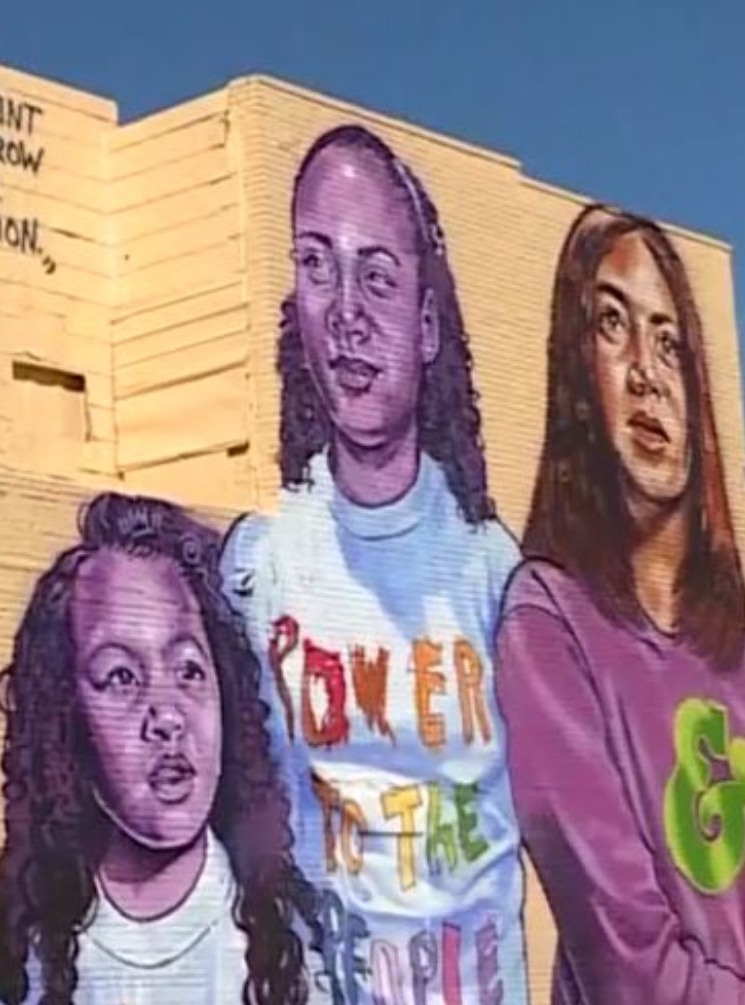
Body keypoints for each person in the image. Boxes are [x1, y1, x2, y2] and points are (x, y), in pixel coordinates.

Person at [220, 124, 529, 1005]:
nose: (347, 310)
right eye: (317, 266)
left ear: (427, 326)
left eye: (379, 275)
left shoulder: (493, 575)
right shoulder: (257, 569)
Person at [496, 205, 745, 1003]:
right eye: (613, 325)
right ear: (575, 374)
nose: (647, 371)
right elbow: (627, 958)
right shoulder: (547, 625)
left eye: (670, 342)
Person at [0, 494, 311, 1005]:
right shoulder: (38, 952)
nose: (168, 717)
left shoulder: (285, 940)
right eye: (121, 677)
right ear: (65, 717)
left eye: (189, 671)